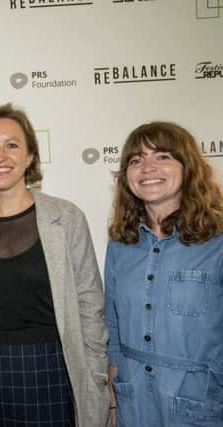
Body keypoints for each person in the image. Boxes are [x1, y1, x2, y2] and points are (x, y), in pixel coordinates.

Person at [0, 103, 109, 427]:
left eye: (12, 145)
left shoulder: (66, 218)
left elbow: (90, 305)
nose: (0, 156)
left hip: (49, 368)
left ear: (30, 157)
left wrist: (95, 377)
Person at [105, 121, 223, 426]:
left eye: (162, 156)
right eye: (136, 160)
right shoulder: (120, 245)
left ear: (188, 167)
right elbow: (114, 330)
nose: (147, 168)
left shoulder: (218, 242)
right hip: (134, 406)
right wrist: (116, 402)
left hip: (202, 406)